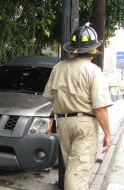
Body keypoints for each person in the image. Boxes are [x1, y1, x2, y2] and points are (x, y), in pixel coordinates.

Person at [43, 24, 113, 190]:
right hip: (85, 125)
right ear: (94, 49)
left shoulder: (58, 68)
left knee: (72, 170)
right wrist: (108, 134)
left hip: (64, 124)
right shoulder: (93, 71)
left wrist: (51, 118)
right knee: (78, 174)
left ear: (74, 49)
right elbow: (100, 108)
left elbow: (51, 98)